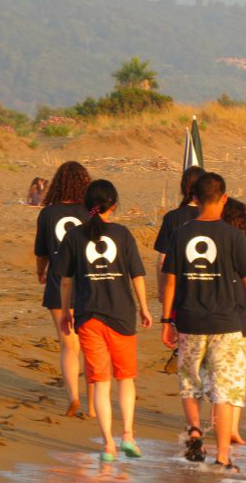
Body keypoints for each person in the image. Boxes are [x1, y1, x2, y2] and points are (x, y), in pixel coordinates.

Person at [161, 172, 246, 471]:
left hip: (188, 320)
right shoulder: (234, 237)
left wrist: (165, 320)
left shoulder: (180, 234)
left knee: (190, 382)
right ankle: (223, 455)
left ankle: (195, 429)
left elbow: (169, 282)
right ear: (223, 198)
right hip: (227, 323)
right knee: (225, 389)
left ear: (194, 199)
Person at [57, 179, 153, 462]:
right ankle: (128, 436)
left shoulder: (74, 236)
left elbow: (65, 281)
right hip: (122, 316)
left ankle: (108, 444)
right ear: (114, 205)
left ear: (87, 205)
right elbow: (137, 275)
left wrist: (65, 313)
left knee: (100, 382)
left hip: (88, 317)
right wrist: (145, 308)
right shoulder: (122, 234)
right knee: (125, 379)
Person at [34, 161, 95, 417]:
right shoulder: (91, 212)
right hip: (89, 284)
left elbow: (41, 251)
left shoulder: (47, 213)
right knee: (91, 346)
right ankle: (93, 405)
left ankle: (73, 396)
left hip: (59, 283)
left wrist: (41, 272)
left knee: (68, 346)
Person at [220, 197, 246, 445]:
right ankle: (232, 427)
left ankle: (218, 421)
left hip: (218, 312)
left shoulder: (218, 242)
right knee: (238, 372)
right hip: (241, 313)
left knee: (218, 371)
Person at [154, 166, 206, 305]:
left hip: (180, 294)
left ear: (183, 187)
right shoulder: (214, 217)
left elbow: (162, 261)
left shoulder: (172, 218)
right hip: (210, 293)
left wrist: (161, 291)